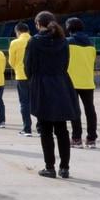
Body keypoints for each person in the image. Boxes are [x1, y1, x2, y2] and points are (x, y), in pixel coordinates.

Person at [25, 11, 76, 179]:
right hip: (61, 84)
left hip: (42, 85)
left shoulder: (34, 42)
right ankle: (65, 167)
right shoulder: (63, 41)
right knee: (61, 128)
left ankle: (50, 167)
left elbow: (28, 66)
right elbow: (66, 63)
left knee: (45, 129)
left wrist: (33, 79)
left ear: (39, 24)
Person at [65, 17, 98, 148]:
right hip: (88, 81)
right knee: (90, 110)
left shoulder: (67, 43)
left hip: (72, 81)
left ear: (68, 28)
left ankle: (76, 139)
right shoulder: (91, 45)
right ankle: (91, 139)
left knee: (75, 111)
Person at [8, 21, 33, 136]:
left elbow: (11, 61)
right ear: (28, 31)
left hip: (21, 76)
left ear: (17, 32)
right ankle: (41, 127)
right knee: (37, 101)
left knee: (24, 102)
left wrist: (18, 67)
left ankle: (27, 128)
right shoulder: (35, 40)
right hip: (35, 76)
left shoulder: (15, 43)